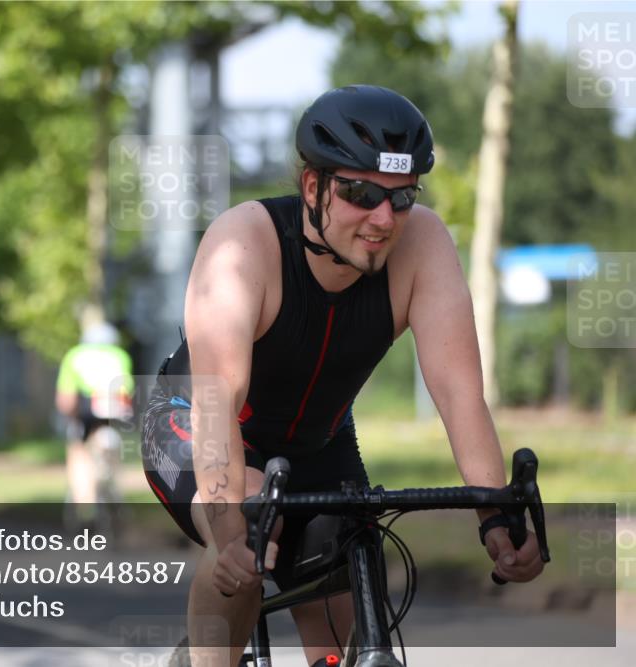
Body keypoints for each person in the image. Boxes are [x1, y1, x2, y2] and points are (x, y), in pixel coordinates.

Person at [141, 85, 545, 667]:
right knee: (248, 537)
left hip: (320, 444)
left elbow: (460, 397)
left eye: (402, 198)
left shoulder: (424, 243)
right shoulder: (243, 245)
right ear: (313, 187)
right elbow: (217, 404)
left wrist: (496, 517)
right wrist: (229, 536)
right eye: (361, 194)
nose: (384, 219)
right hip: (197, 426)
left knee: (344, 612)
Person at [56, 320, 134, 521]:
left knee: (78, 451)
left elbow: (66, 400)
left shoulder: (74, 356)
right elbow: (128, 391)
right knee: (112, 454)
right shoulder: (121, 356)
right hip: (115, 413)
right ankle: (115, 495)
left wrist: (69, 417)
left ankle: (85, 504)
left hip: (86, 411)